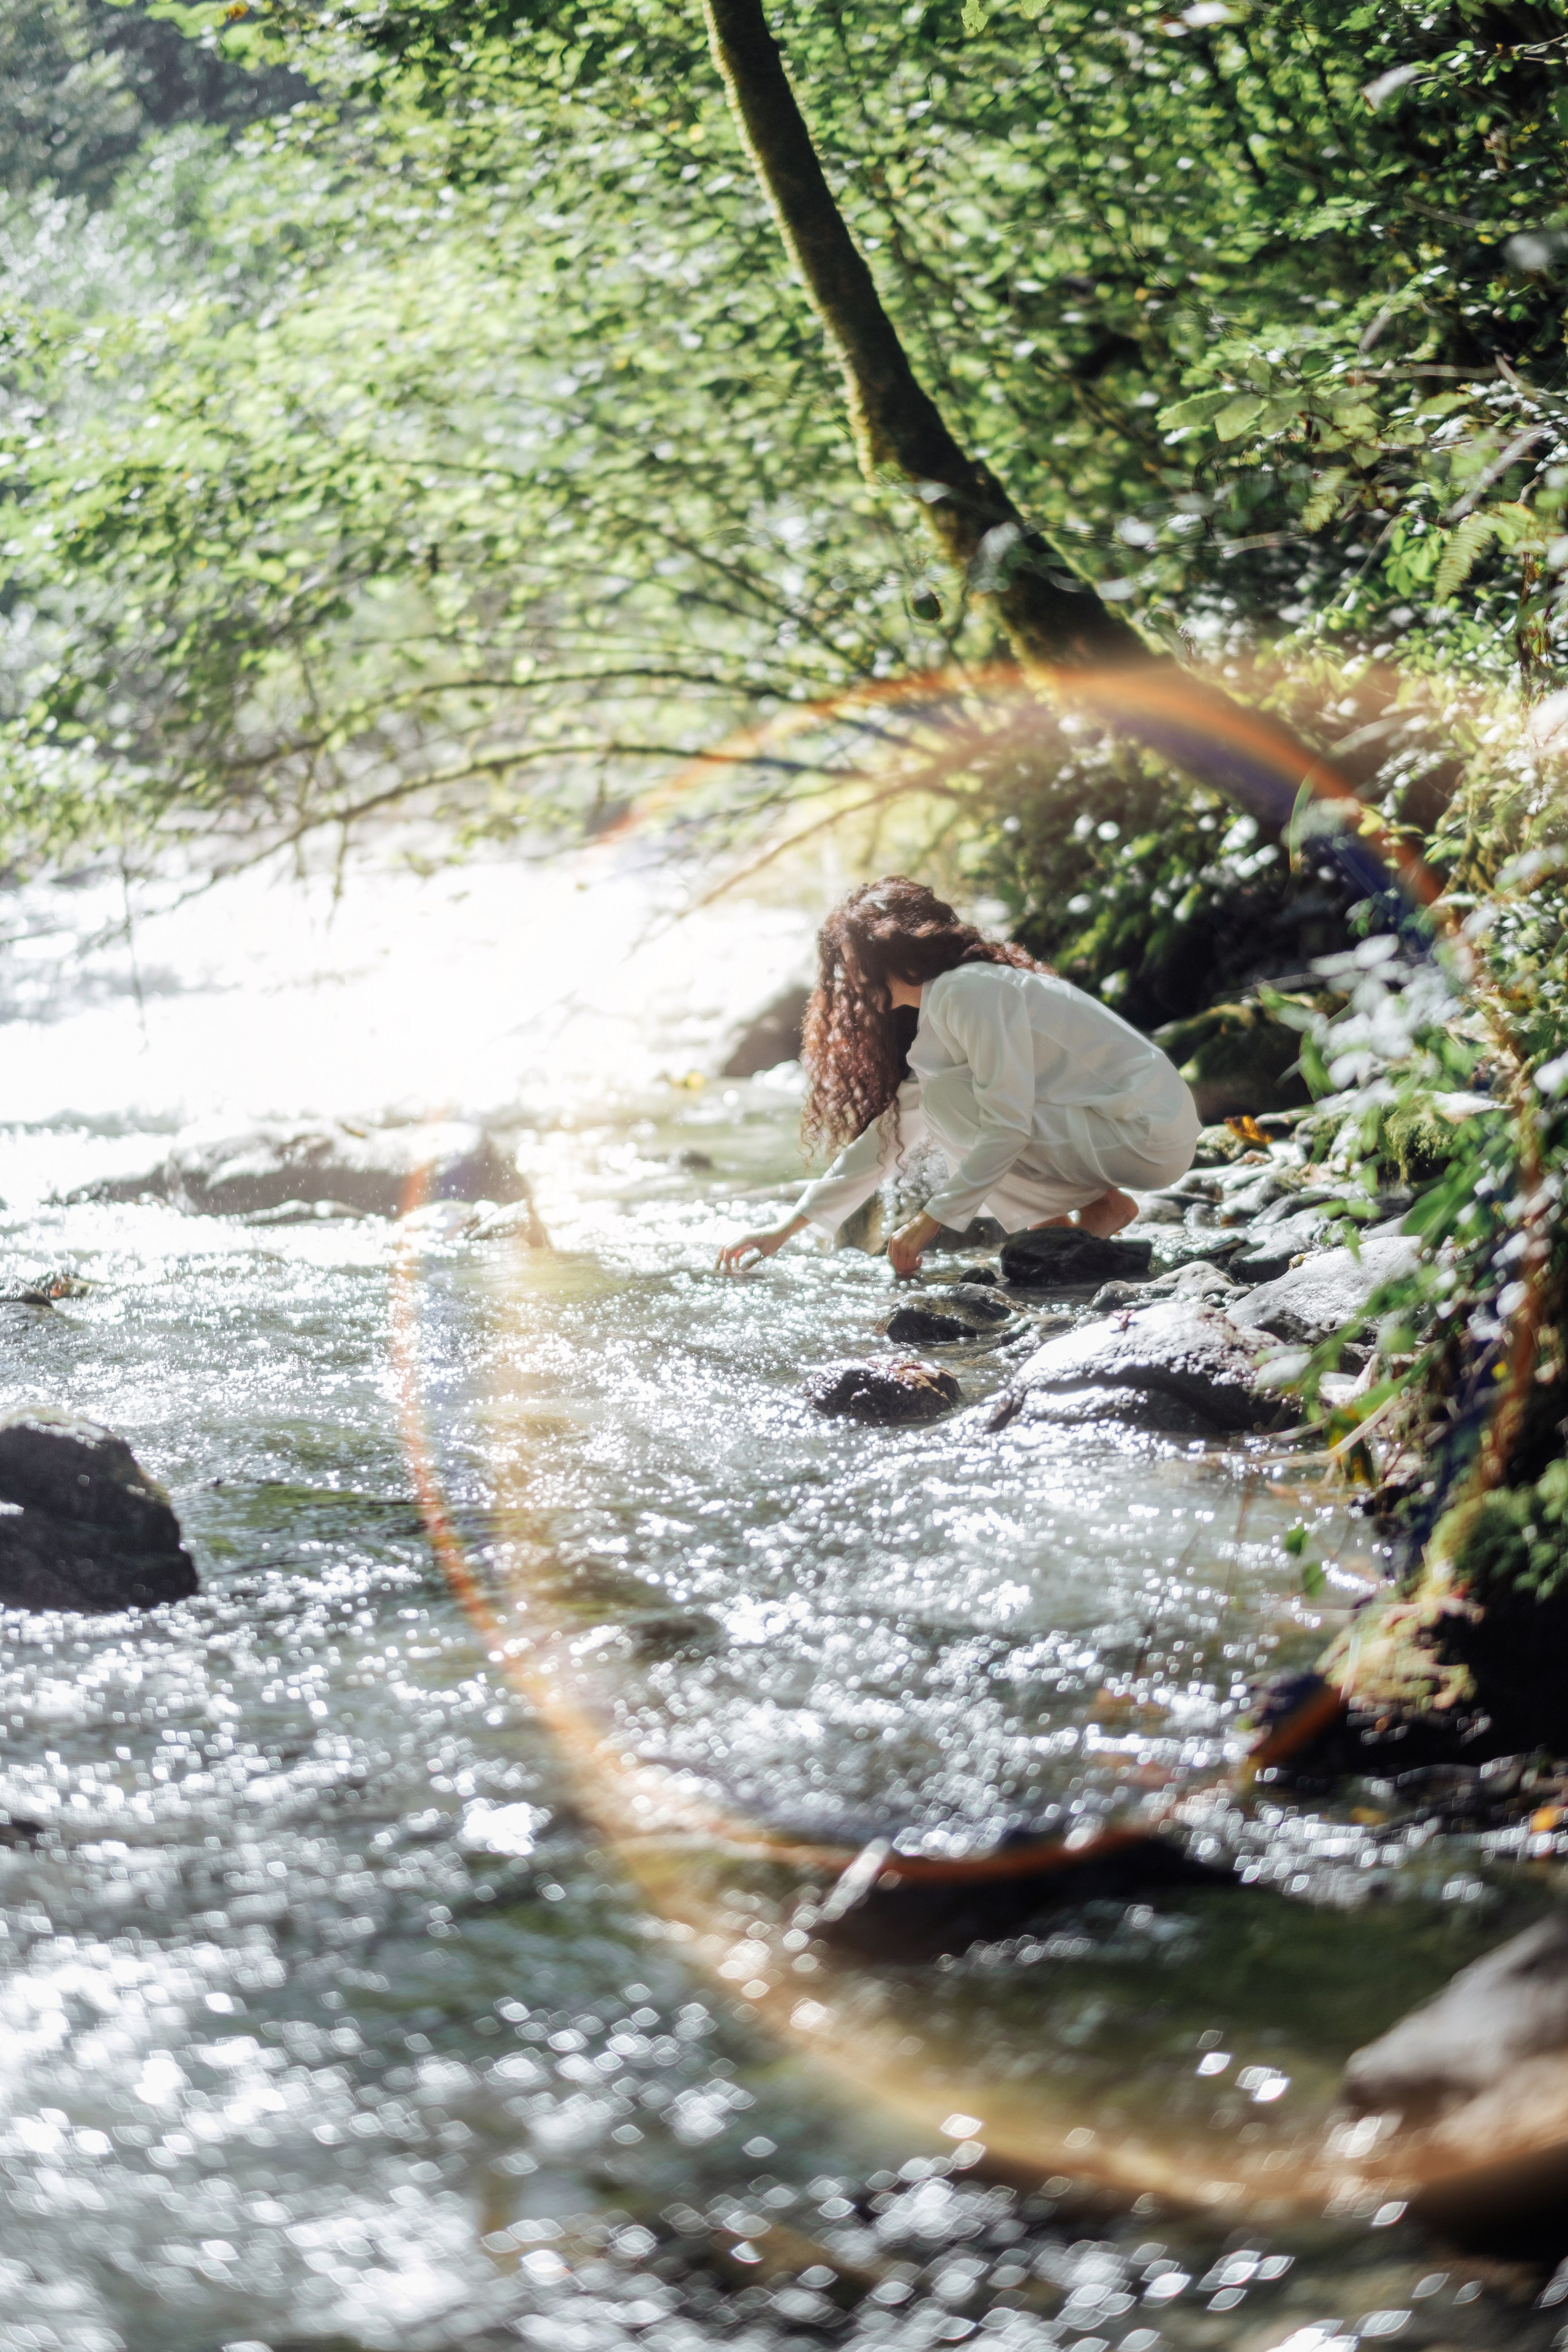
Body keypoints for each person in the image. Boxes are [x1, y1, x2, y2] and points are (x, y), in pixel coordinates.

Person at [716, 877, 1199, 1280]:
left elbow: (1008, 1126)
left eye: (855, 966)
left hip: (1145, 1134)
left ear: (895, 955)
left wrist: (930, 1221)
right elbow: (887, 1137)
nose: (851, 983)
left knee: (947, 1101)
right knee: (939, 1100)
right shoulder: (953, 1000)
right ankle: (1083, 1221)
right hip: (1133, 1129)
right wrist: (784, 1229)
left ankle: (1066, 1226)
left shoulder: (967, 992)